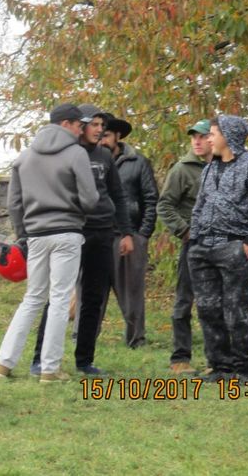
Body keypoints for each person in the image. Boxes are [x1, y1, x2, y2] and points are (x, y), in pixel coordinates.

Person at [0, 103, 99, 383]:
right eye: (79, 124)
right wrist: (76, 211)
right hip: (67, 233)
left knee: (33, 298)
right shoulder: (76, 154)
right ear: (66, 124)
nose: (81, 130)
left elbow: (14, 203)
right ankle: (50, 368)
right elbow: (90, 199)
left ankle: (3, 364)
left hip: (36, 235)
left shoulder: (25, 157)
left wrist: (23, 233)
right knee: (60, 298)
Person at [30, 104, 134, 376]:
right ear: (81, 125)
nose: (100, 130)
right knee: (58, 296)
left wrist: (125, 232)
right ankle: (40, 359)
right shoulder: (64, 155)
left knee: (93, 298)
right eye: (95, 124)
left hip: (102, 233)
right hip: (71, 231)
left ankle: (84, 361)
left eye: (103, 126)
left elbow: (117, 195)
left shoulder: (105, 156)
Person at [188, 115, 248, 382]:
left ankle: (243, 369)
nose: (208, 138)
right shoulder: (209, 169)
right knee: (207, 309)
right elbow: (199, 205)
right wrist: (194, 238)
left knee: (236, 311)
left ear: (230, 136)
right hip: (203, 247)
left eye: (213, 133)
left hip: (233, 246)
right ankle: (219, 367)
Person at [157, 119, 213, 375]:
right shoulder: (182, 169)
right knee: (184, 302)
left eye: (202, 137)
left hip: (222, 244)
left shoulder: (225, 166)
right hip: (194, 245)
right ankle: (180, 358)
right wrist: (185, 230)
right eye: (193, 137)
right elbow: (164, 205)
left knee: (216, 304)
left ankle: (217, 359)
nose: (197, 142)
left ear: (213, 138)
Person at [99, 115, 158, 348]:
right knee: (90, 290)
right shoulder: (89, 161)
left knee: (132, 292)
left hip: (129, 235)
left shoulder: (138, 162)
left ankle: (136, 339)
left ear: (117, 136)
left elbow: (151, 199)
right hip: (97, 235)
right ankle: (83, 336)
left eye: (106, 135)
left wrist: (141, 235)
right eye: (99, 134)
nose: (101, 140)